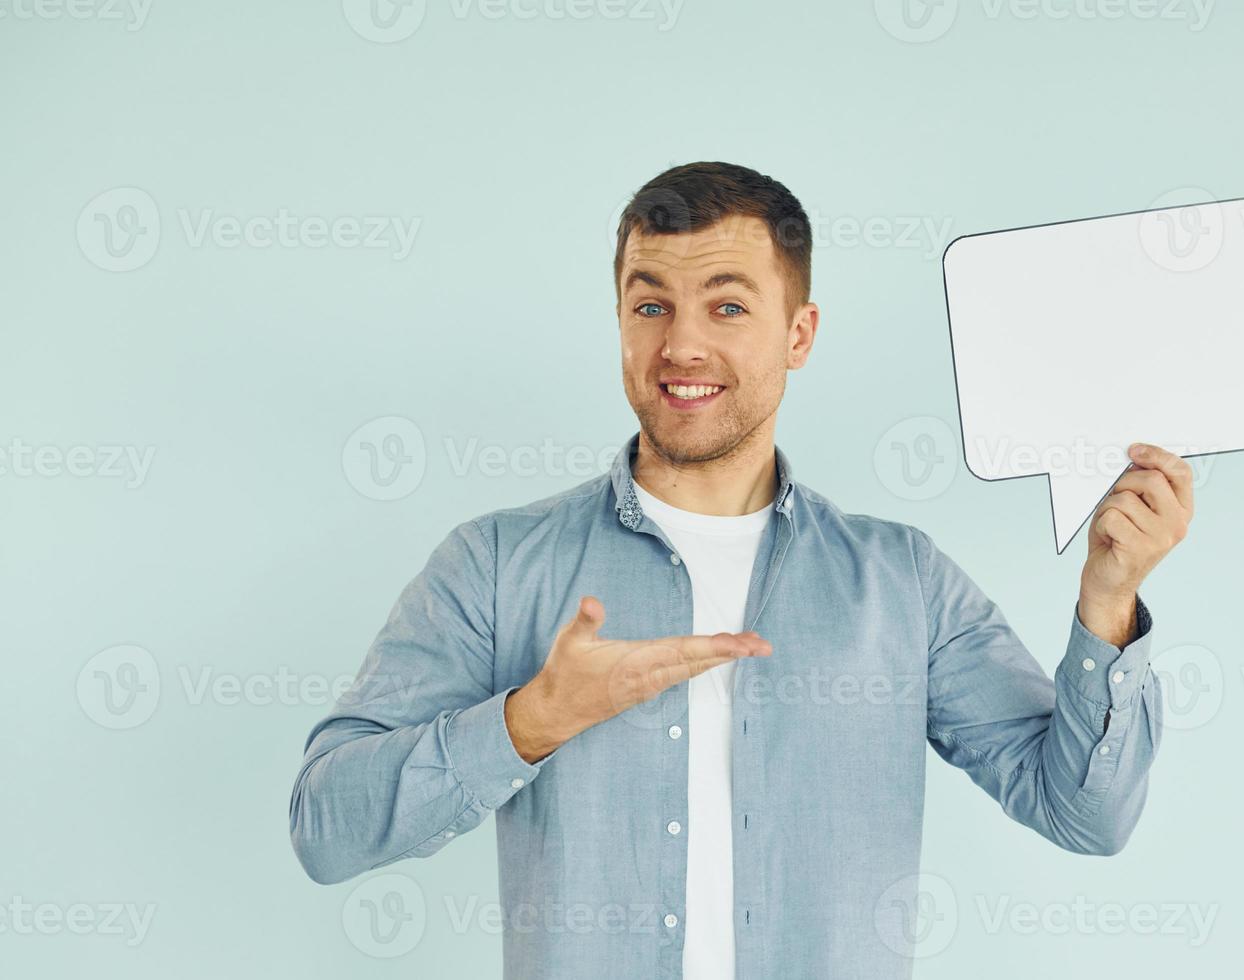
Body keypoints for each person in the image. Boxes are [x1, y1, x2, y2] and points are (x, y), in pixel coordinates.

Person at [288, 161, 1193, 980]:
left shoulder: (903, 583)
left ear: (798, 334)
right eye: (651, 307)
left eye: (727, 307)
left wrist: (1108, 601)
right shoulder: (494, 565)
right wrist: (531, 721)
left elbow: (1085, 816)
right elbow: (324, 828)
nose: (682, 346)